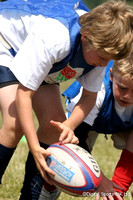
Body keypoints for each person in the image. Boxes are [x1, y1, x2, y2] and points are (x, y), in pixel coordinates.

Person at [0, 0, 133, 199]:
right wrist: (34, 147)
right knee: (15, 124)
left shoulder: (99, 47)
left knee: (54, 126)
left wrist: (68, 126)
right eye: (103, 58)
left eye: (109, 60)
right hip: (7, 42)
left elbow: (89, 97)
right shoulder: (56, 37)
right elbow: (24, 94)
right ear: (86, 38)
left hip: (41, 57)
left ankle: (30, 196)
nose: (104, 65)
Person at [63, 54, 133, 199]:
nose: (128, 96)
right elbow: (76, 138)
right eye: (123, 88)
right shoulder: (97, 89)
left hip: (122, 125)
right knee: (63, 155)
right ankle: (45, 191)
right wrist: (100, 179)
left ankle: (115, 196)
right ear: (112, 75)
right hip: (86, 123)